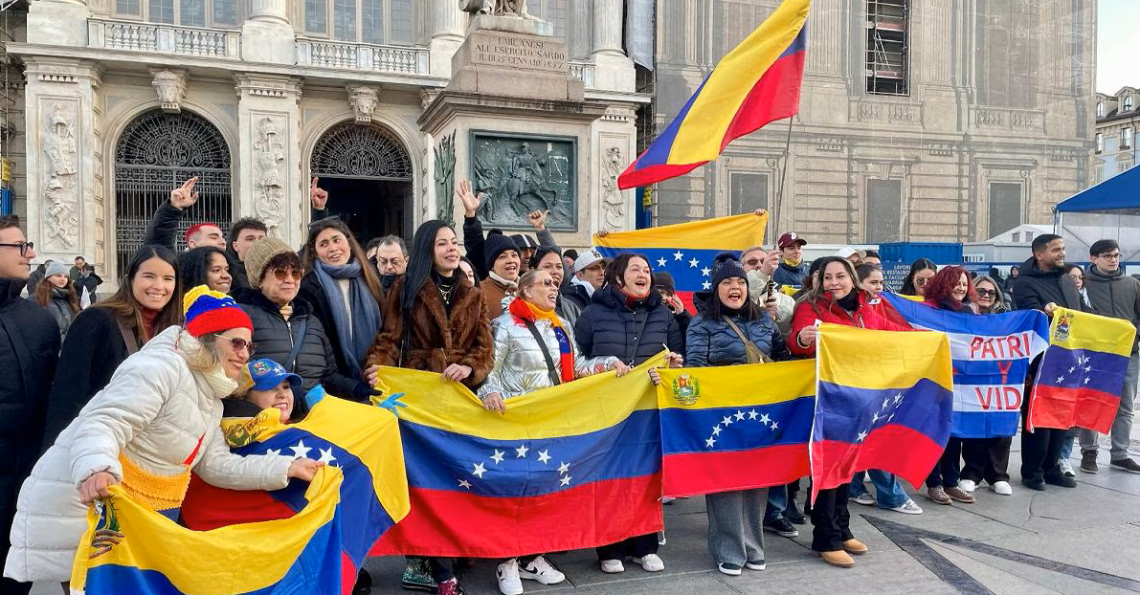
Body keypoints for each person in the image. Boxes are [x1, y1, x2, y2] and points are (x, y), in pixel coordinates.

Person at [4, 286, 322, 586]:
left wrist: (286, 468)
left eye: (249, 346)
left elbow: (216, 465)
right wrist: (97, 468)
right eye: (236, 343)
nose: (244, 354)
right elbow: (104, 422)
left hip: (143, 519)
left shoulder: (209, 394)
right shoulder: (160, 368)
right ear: (207, 338)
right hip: (93, 510)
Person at [364, 220, 494, 595]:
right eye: (442, 243)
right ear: (427, 249)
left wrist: (469, 366)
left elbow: (486, 349)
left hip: (459, 400)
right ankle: (442, 574)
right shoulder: (406, 287)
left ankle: (454, 552)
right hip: (419, 398)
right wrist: (377, 369)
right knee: (426, 483)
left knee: (455, 479)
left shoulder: (474, 294)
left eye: (454, 242)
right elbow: (389, 338)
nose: (452, 248)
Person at [480, 269, 627, 595]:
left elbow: (576, 367)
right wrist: (490, 392)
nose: (553, 288)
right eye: (545, 283)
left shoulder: (560, 326)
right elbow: (487, 369)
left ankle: (531, 558)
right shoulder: (504, 325)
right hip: (515, 425)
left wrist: (607, 364)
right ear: (525, 290)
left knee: (542, 494)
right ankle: (507, 562)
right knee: (516, 495)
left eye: (555, 284)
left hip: (551, 424)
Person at [789, 256, 909, 568]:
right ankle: (825, 537)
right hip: (828, 404)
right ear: (818, 281)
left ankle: (842, 529)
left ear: (852, 279)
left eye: (840, 276)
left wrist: (929, 337)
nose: (833, 283)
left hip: (860, 403)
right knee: (829, 468)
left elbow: (892, 331)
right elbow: (797, 339)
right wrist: (803, 338)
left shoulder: (865, 309)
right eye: (827, 277)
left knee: (848, 467)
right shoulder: (811, 307)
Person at [574, 253, 683, 575]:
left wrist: (673, 367)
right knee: (610, 479)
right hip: (607, 411)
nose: (643, 274)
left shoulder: (662, 314)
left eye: (646, 270)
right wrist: (606, 368)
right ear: (619, 277)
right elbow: (577, 360)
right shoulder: (593, 313)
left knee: (645, 480)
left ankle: (645, 546)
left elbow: (679, 357)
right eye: (635, 269)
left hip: (648, 411)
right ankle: (610, 548)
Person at [685, 258, 782, 576]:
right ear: (716, 289)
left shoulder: (765, 320)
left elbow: (784, 361)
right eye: (727, 282)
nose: (734, 287)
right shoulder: (701, 323)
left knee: (757, 482)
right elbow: (695, 368)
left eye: (740, 282)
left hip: (760, 414)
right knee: (725, 483)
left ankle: (753, 547)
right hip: (721, 416)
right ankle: (728, 550)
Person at [41, 245, 183, 448]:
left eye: (168, 278)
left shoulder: (177, 330)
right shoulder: (96, 320)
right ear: (130, 278)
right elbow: (68, 395)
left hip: (150, 451)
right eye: (149, 276)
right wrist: (57, 451)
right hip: (96, 446)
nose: (159, 286)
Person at [237, 237, 376, 420]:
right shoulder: (240, 317)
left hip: (313, 421)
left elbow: (329, 376)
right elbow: (235, 375)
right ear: (259, 279)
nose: (290, 280)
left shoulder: (311, 321)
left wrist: (362, 390)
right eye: (280, 273)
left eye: (295, 273)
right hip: (264, 424)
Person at [0, 216, 59, 595]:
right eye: (20, 246)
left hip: (27, 476)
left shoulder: (40, 321)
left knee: (17, 575)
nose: (30, 254)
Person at [1013, 234, 1090, 491]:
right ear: (1039, 254)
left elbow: (1080, 313)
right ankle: (1032, 471)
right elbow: (1030, 316)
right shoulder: (1024, 283)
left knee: (1062, 413)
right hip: (1041, 360)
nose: (1062, 254)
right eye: (1056, 249)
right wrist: (1044, 312)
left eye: (1063, 249)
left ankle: (1052, 466)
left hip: (1069, 358)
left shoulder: (1067, 279)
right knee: (1038, 414)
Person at [848, 264, 924, 514]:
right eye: (873, 282)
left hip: (873, 382)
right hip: (854, 384)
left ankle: (855, 486)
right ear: (857, 284)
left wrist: (925, 337)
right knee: (872, 436)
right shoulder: (852, 311)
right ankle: (890, 495)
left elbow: (894, 331)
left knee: (866, 436)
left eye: (881, 282)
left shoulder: (872, 309)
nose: (879, 288)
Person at [1079, 240, 1140, 474]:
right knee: (1091, 402)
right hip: (1096, 355)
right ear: (1093, 258)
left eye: (1116, 255)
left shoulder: (1132, 284)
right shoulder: (1083, 284)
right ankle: (1089, 451)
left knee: (1125, 406)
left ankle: (1120, 454)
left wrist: (1134, 334)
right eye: (1107, 256)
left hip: (1128, 354)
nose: (1113, 259)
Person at [299, 218, 384, 384]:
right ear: (315, 252)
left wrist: (378, 362)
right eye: (323, 244)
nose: (333, 248)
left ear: (349, 242)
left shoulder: (370, 278)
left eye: (337, 240)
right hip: (332, 380)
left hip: (373, 375)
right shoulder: (308, 288)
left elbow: (384, 331)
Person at [919, 266, 978, 505]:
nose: (961, 288)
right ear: (944, 283)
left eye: (964, 283)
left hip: (959, 380)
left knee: (954, 433)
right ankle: (934, 483)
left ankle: (951, 482)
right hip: (932, 380)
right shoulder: (927, 310)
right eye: (956, 282)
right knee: (935, 432)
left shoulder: (968, 311)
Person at [957, 274, 1016, 495]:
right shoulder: (962, 316)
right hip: (972, 379)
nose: (986, 295)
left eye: (991, 292)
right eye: (981, 291)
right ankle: (971, 473)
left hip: (1001, 380)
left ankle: (998, 475)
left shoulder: (1006, 317)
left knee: (1001, 427)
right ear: (972, 292)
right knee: (973, 426)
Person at [531, 245, 581, 326]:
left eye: (559, 267)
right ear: (533, 271)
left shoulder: (572, 308)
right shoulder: (523, 307)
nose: (555, 271)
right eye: (547, 266)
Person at [31, 261, 81, 339]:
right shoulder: (36, 299)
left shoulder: (70, 298)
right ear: (48, 278)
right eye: (58, 276)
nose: (63, 279)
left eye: (66, 277)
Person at [481, 233, 523, 318]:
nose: (511, 260)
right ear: (492, 266)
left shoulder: (528, 289)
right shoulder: (480, 293)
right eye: (502, 256)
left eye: (514, 255)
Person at [226, 217, 268, 293]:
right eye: (250, 239)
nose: (258, 243)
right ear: (235, 246)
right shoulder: (227, 273)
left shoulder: (276, 269)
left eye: (262, 239)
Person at [653, 272, 691, 342]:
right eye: (661, 292)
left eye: (668, 295)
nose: (664, 298)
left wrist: (682, 316)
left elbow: (692, 340)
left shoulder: (675, 319)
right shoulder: (639, 311)